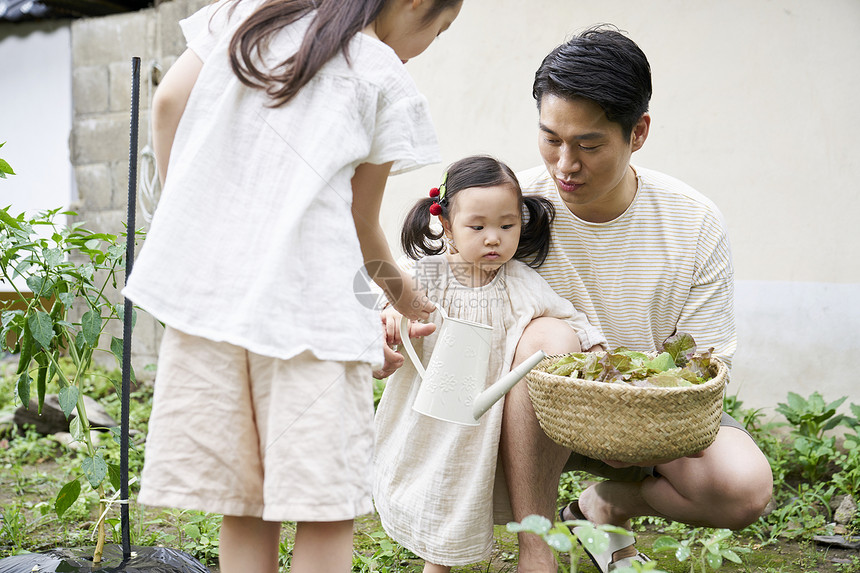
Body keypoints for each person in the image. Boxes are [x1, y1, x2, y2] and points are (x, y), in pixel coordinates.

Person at [122, 0, 463, 571]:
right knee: (325, 507)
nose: (430, 44)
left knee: (246, 504)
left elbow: (166, 103)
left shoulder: (246, 16)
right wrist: (407, 299)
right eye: (440, 28)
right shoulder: (379, 72)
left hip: (215, 306)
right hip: (312, 321)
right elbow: (361, 226)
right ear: (411, 5)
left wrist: (194, 220)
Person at [498, 26, 774, 572]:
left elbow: (706, 362)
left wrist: (641, 418)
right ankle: (538, 547)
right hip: (536, 416)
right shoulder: (516, 207)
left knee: (744, 489)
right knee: (544, 336)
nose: (564, 165)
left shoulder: (692, 221)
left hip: (653, 424)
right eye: (551, 138)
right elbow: (439, 272)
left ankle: (603, 508)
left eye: (589, 144)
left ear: (638, 132)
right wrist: (397, 307)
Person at [373, 155, 606, 572]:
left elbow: (575, 324)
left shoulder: (522, 283)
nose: (494, 238)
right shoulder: (428, 275)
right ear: (446, 226)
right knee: (436, 488)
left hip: (484, 424)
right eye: (477, 227)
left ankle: (446, 563)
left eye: (507, 225)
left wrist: (600, 358)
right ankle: (436, 564)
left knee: (463, 486)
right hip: (431, 417)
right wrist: (392, 317)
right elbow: (387, 303)